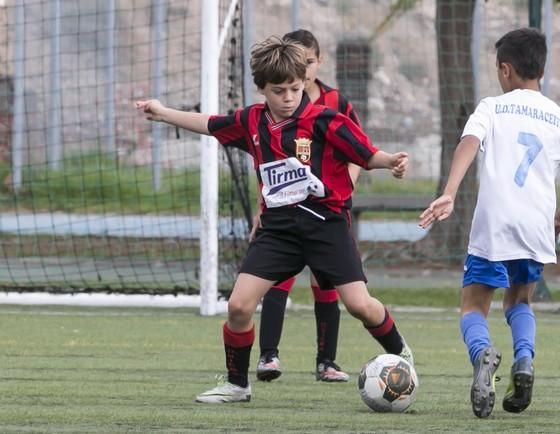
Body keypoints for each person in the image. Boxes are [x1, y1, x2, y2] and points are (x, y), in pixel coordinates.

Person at [136, 35, 413, 404]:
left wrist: (391, 160)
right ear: (262, 89)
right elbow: (211, 123)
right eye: (278, 90)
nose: (287, 97)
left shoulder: (326, 120)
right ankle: (237, 385)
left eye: (295, 89)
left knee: (360, 305)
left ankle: (402, 355)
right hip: (279, 230)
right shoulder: (251, 121)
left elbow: (367, 154)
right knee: (238, 306)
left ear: (304, 84)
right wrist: (164, 112)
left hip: (325, 225)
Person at [419, 27, 560, 418]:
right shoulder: (559, 116)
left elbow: (469, 143)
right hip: (535, 225)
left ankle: (483, 353)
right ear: (540, 68)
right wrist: (559, 218)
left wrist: (450, 191)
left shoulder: (492, 107)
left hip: (494, 224)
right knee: (519, 300)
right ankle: (523, 360)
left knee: (473, 306)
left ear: (505, 70)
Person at [254, 29, 363, 384]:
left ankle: (326, 361)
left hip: (326, 209)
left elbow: (359, 151)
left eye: (310, 61)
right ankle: (268, 355)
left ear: (317, 62)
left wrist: (343, 190)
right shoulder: (277, 104)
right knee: (278, 279)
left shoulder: (335, 104)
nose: (305, 68)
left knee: (325, 282)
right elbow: (269, 159)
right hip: (284, 213)